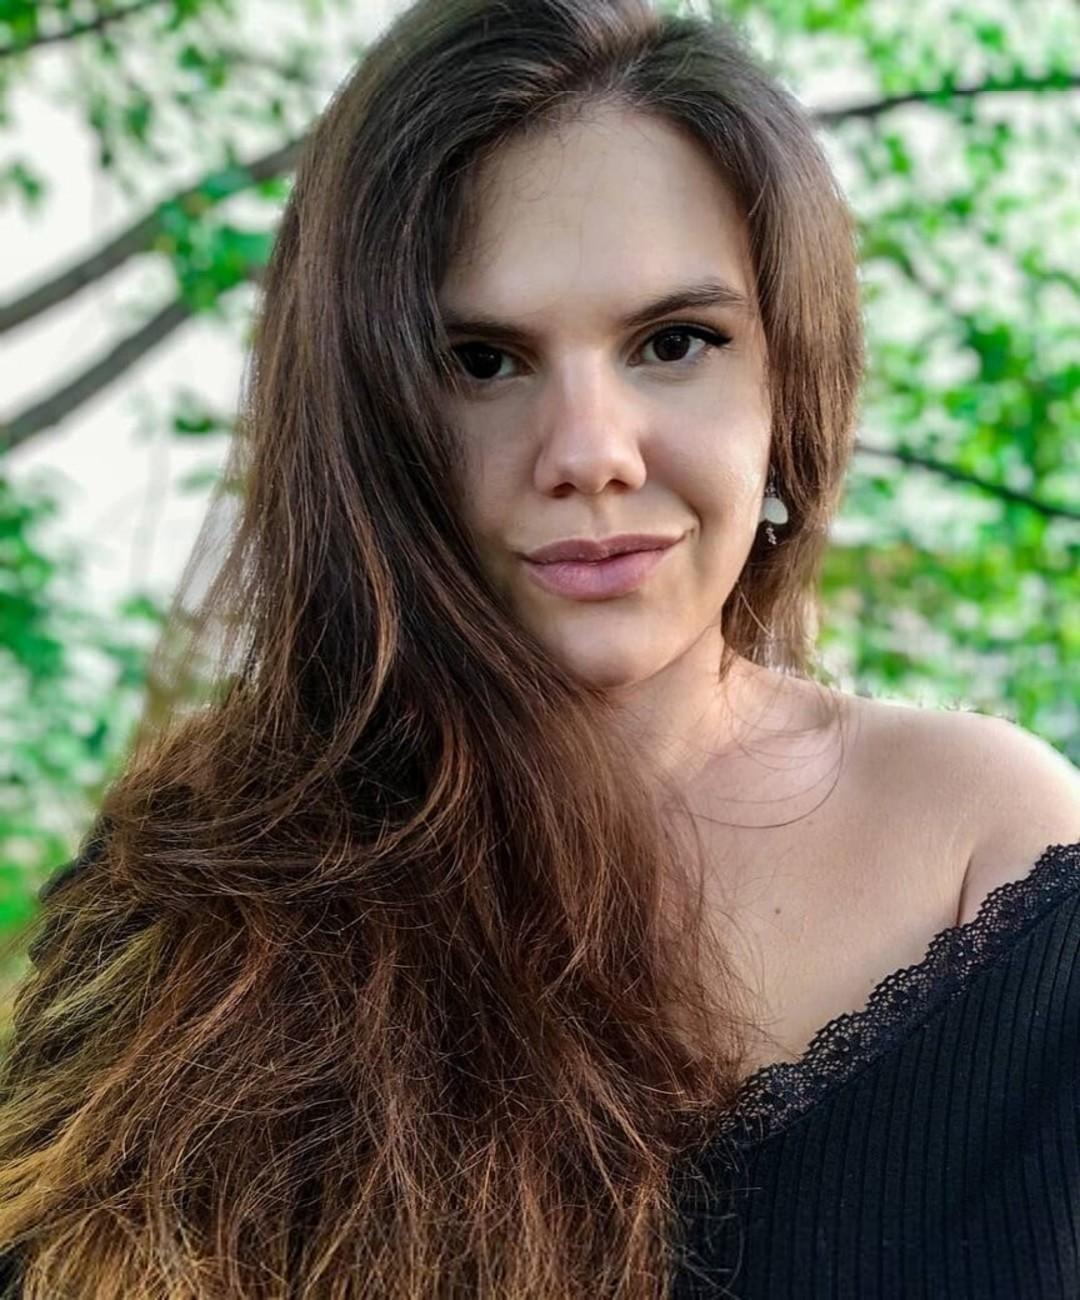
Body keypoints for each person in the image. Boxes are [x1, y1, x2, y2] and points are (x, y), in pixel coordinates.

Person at [0, 0, 1077, 1296]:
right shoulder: (192, 906)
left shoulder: (989, 854)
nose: (589, 453)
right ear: (364, 421)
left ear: (788, 383)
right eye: (482, 361)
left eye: (674, 343)